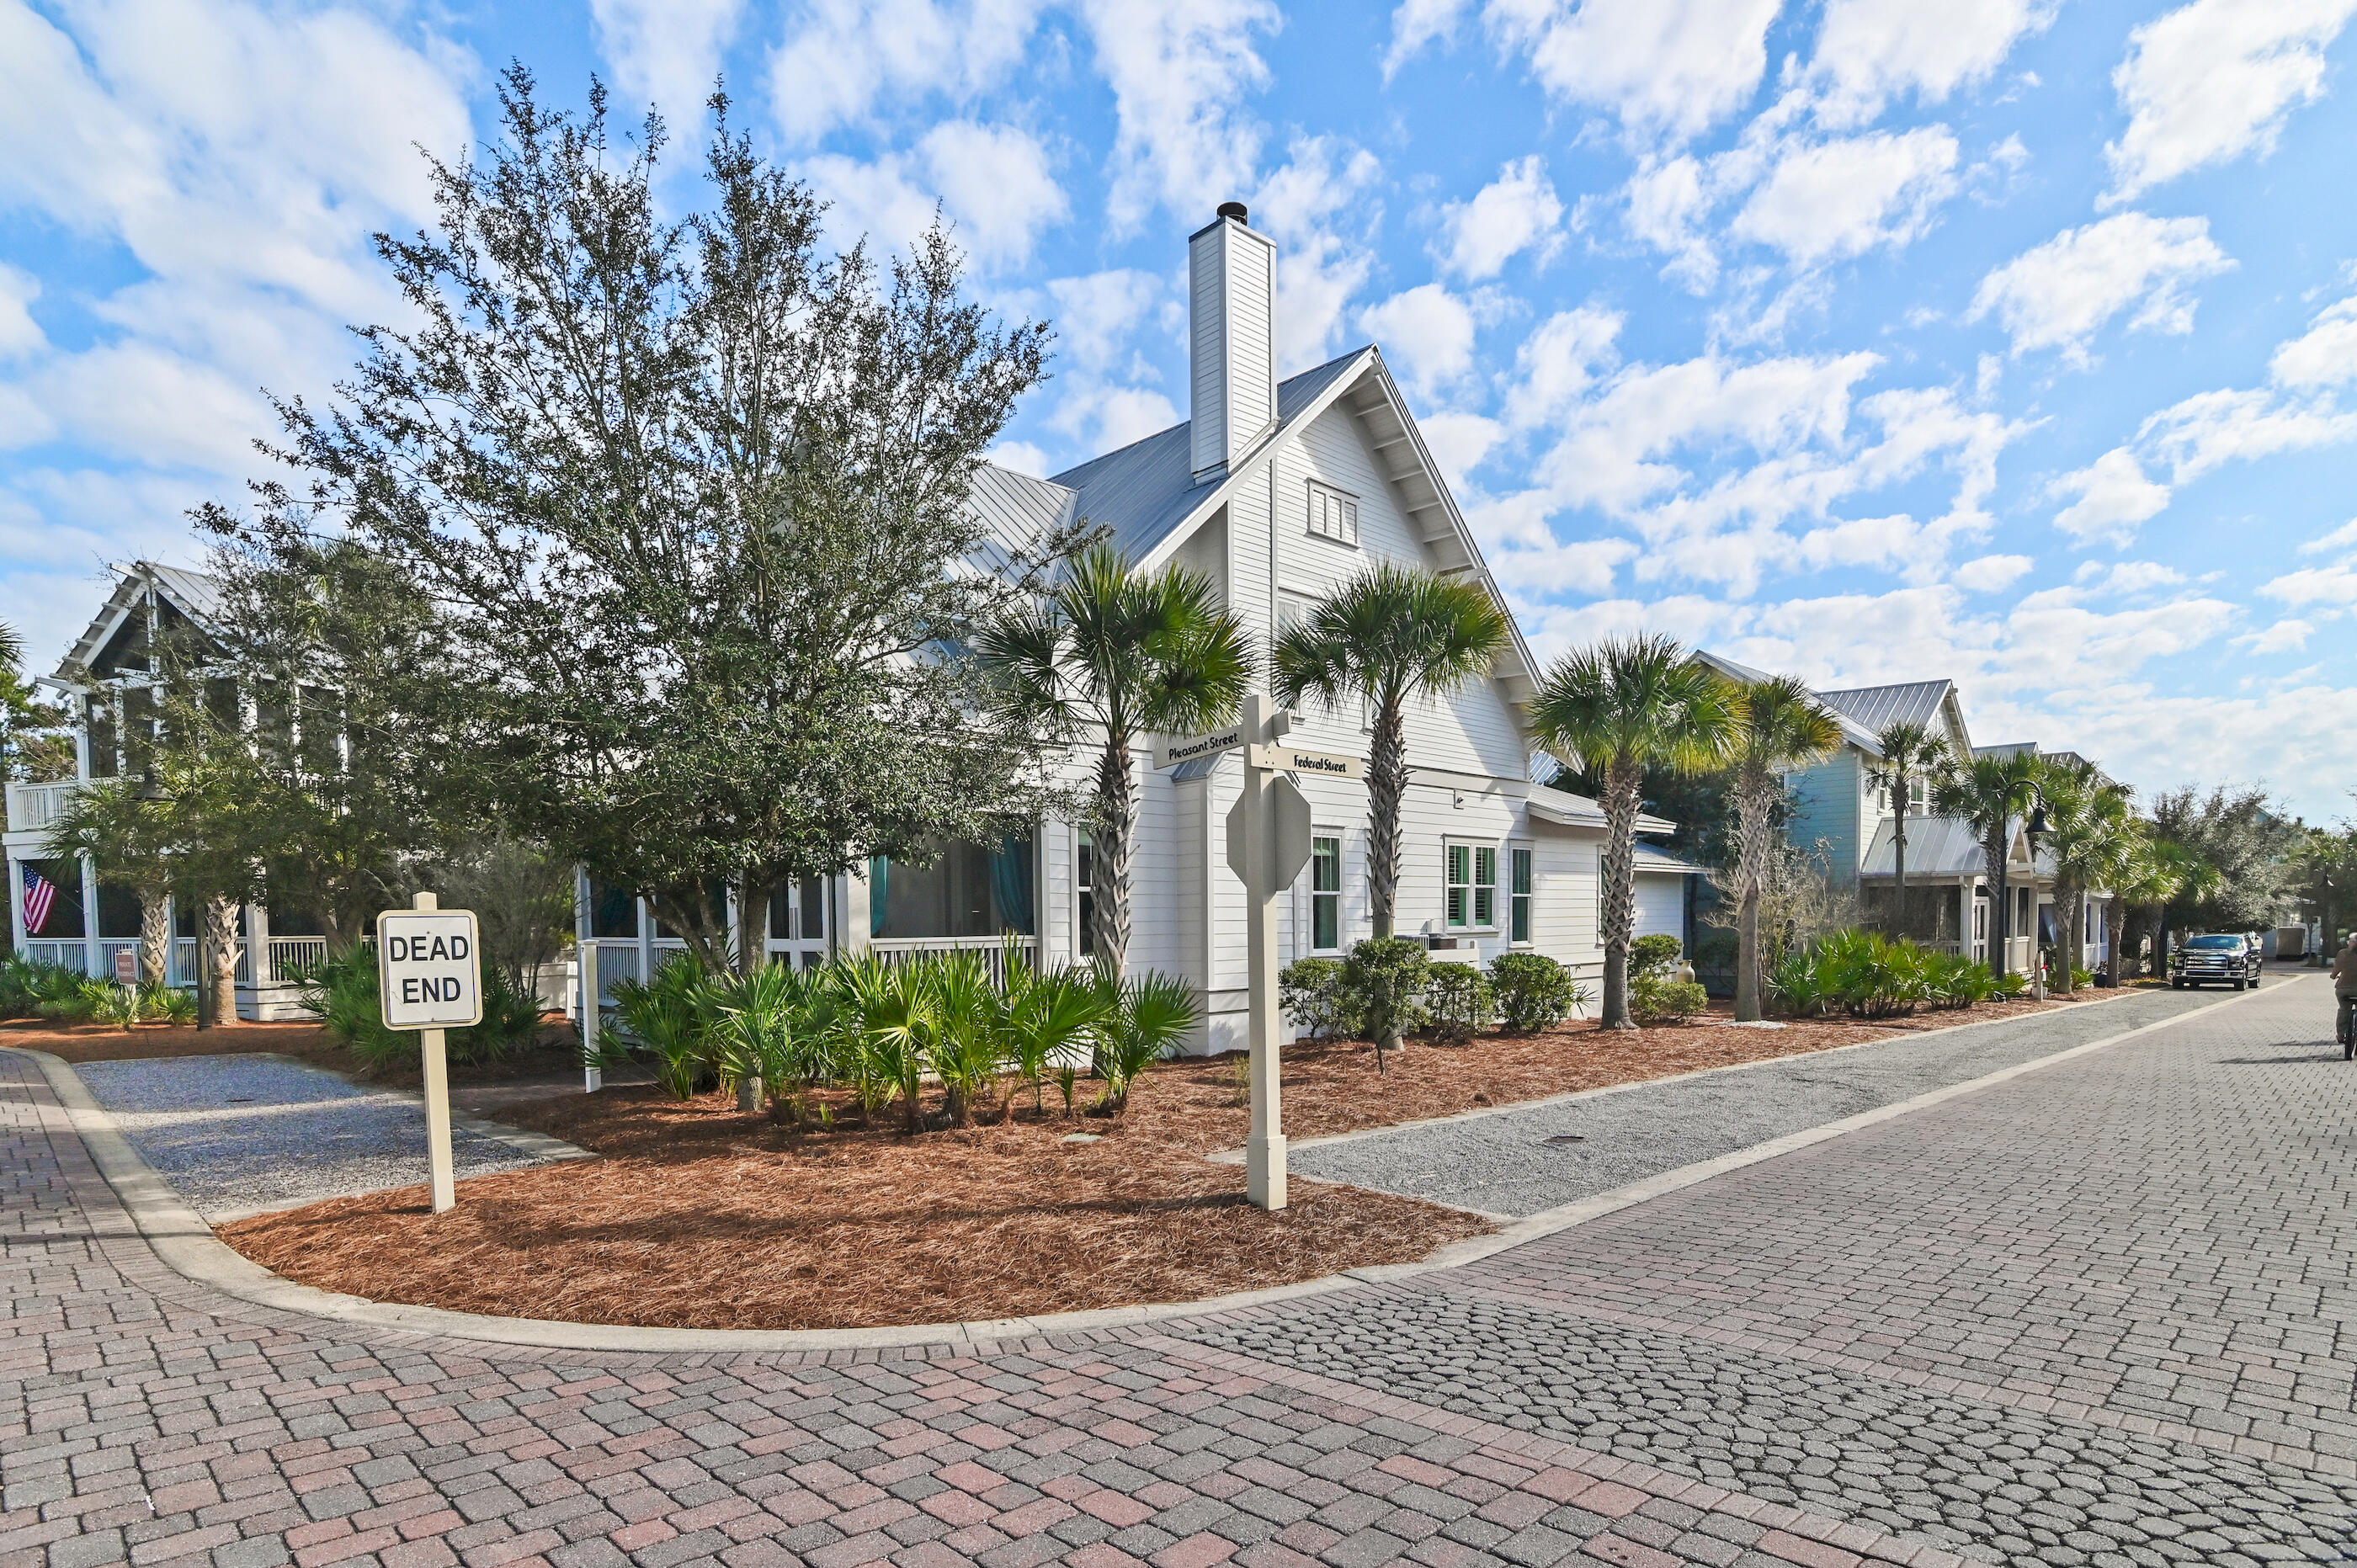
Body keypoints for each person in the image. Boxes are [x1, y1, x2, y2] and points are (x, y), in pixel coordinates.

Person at [2334, 933, 2357, 1054]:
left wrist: (2333, 976)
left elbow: (2336, 969)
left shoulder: (2343, 953)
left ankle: (2341, 1034)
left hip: (2343, 989)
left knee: (2343, 1009)